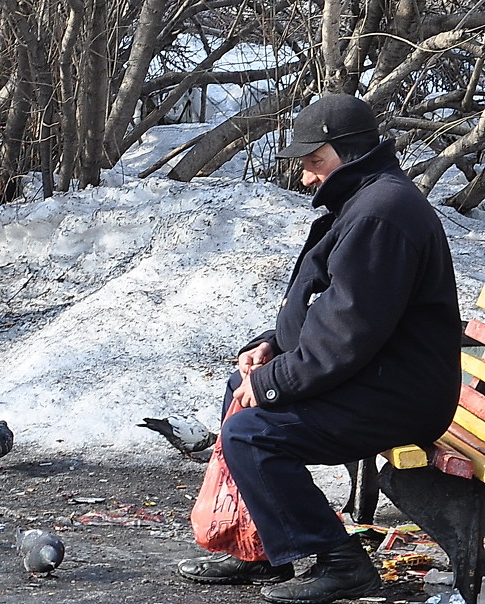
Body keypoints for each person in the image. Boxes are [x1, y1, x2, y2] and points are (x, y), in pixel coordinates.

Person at [176, 94, 461, 604]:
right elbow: (329, 311)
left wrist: (269, 384)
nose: (307, 177)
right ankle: (259, 545)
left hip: (399, 396)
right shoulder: (365, 202)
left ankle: (342, 562)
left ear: (349, 152)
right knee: (237, 393)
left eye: (314, 162)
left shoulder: (381, 215)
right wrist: (270, 347)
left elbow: (347, 335)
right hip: (377, 378)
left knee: (251, 434)